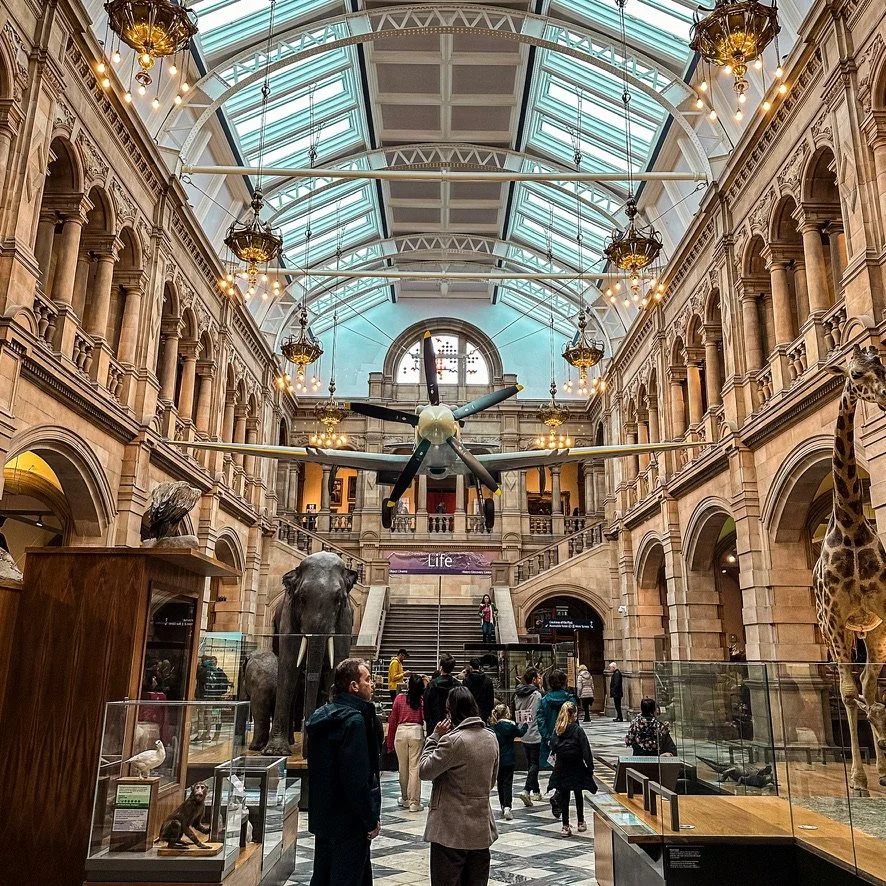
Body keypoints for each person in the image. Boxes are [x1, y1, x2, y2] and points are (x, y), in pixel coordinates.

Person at [305, 658, 382, 886]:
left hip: (325, 817)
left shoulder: (320, 716)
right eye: (367, 680)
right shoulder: (355, 722)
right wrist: (369, 819)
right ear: (353, 686)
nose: (372, 684)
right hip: (349, 821)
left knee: (324, 877)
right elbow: (356, 779)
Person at [420, 686, 499, 885]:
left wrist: (434, 738)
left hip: (450, 830)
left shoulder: (452, 741)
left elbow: (425, 770)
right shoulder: (491, 738)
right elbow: (491, 781)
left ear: (451, 712)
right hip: (480, 829)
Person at [548, 701, 596, 837]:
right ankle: (581, 821)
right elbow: (585, 749)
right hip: (576, 765)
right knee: (578, 793)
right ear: (574, 714)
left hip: (562, 766)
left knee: (564, 795)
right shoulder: (577, 730)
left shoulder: (558, 729)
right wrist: (590, 766)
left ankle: (565, 825)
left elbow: (552, 745)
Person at [388, 673, 426, 812]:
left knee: (402, 767)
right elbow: (425, 718)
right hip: (416, 731)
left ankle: (405, 798)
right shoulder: (421, 700)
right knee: (414, 768)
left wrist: (389, 742)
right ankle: (414, 802)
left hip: (401, 732)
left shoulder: (399, 699)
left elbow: (392, 721)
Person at [490, 703, 527, 821]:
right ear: (507, 714)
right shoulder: (510, 726)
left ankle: (502, 804)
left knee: (500, 782)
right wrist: (525, 724)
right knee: (508, 782)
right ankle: (507, 806)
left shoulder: (493, 727)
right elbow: (520, 733)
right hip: (509, 758)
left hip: (498, 759)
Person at [536, 668, 577, 772]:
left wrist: (547, 738)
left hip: (550, 741)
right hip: (568, 742)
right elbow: (574, 721)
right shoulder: (570, 699)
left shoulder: (544, 700)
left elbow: (541, 721)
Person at [514, 668, 543, 806]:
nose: (541, 679)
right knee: (534, 763)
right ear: (533, 680)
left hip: (522, 732)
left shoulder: (518, 695)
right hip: (535, 733)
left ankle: (536, 791)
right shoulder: (536, 695)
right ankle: (526, 790)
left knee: (531, 763)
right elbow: (538, 714)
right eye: (539, 677)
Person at [424, 655, 460, 735]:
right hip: (453, 726)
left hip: (435, 725)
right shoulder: (457, 685)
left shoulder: (432, 685)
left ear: (441, 666)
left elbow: (426, 707)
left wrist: (430, 725)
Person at [463, 658, 494, 723]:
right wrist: (489, 712)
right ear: (479, 667)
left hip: (470, 712)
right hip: (483, 712)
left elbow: (464, 698)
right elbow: (490, 698)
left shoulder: (466, 681)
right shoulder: (488, 680)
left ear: (470, 667)